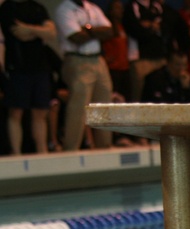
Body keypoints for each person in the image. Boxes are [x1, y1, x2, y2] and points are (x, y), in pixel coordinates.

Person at [54, 0, 114, 152]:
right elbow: (76, 37)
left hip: (98, 60)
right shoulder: (64, 9)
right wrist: (96, 31)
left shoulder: (92, 7)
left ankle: (104, 147)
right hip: (78, 60)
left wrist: (87, 29)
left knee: (104, 105)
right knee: (79, 107)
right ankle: (71, 149)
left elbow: (110, 31)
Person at [0, 0, 59, 155]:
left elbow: (52, 33)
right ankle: (17, 152)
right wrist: (40, 30)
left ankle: (42, 150)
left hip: (40, 66)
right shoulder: (8, 7)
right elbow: (19, 34)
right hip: (18, 66)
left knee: (40, 111)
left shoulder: (37, 8)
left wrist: (29, 28)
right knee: (16, 111)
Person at [123, 0, 190, 101]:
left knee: (165, 93)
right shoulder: (132, 7)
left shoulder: (157, 7)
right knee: (140, 97)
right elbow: (135, 30)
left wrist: (150, 26)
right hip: (142, 59)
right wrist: (152, 27)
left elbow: (169, 27)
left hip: (161, 58)